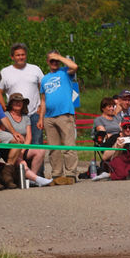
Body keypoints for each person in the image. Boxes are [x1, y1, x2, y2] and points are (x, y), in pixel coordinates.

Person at [38, 51, 79, 185]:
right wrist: (41, 118)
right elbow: (43, 100)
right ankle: (57, 174)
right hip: (49, 117)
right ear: (47, 62)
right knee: (53, 148)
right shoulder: (44, 79)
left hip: (64, 114)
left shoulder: (65, 72)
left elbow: (75, 66)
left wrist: (59, 57)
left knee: (68, 146)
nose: (54, 63)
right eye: (52, 60)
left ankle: (71, 173)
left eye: (56, 60)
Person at [0, 43, 45, 142]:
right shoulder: (5, 72)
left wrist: (41, 107)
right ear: (12, 57)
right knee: (18, 142)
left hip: (34, 113)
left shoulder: (35, 69)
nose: (21, 57)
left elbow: (44, 89)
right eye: (18, 55)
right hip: (15, 115)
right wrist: (4, 108)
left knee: (36, 142)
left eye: (23, 54)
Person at [3, 93, 52, 187]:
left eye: (20, 102)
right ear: (11, 103)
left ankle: (32, 179)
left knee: (41, 150)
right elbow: (1, 132)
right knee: (23, 163)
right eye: (15, 101)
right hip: (10, 148)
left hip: (23, 148)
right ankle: (37, 179)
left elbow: (29, 137)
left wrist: (22, 150)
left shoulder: (26, 117)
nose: (18, 103)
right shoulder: (5, 115)